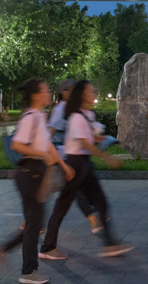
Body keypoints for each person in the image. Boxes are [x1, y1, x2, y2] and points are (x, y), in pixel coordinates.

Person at [0, 79, 75, 284]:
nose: (48, 93)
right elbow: (17, 145)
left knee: (34, 223)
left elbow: (48, 145)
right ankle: (28, 272)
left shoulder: (39, 116)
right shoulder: (30, 117)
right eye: (45, 90)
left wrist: (63, 165)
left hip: (36, 172)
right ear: (35, 95)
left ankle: (2, 251)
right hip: (30, 172)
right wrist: (42, 156)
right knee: (34, 224)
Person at [39, 80, 134, 259]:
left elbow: (87, 139)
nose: (94, 94)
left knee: (100, 202)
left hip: (84, 164)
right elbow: (84, 143)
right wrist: (107, 157)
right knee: (62, 206)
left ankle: (110, 244)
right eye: (91, 91)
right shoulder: (76, 116)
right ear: (82, 95)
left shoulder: (87, 114)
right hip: (75, 164)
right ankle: (47, 248)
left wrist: (99, 138)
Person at [47, 79, 102, 234]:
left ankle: (95, 216)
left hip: (72, 155)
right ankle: (93, 218)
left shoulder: (75, 109)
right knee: (73, 191)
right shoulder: (60, 109)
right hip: (62, 156)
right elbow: (49, 133)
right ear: (64, 92)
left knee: (74, 190)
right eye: (71, 89)